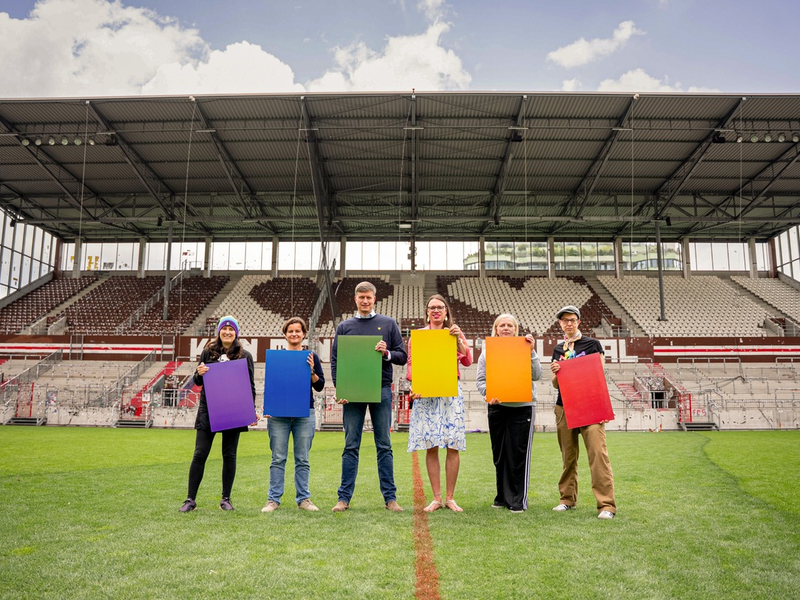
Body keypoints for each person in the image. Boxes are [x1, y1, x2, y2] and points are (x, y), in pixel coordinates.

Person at [330, 281, 408, 513]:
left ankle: (390, 498)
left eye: (369, 297)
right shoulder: (344, 326)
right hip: (352, 391)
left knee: (384, 444)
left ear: (375, 299)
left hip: (381, 388)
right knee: (350, 445)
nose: (365, 301)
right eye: (361, 297)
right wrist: (340, 387)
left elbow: (402, 356)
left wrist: (386, 353)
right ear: (355, 299)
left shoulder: (388, 323)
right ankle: (343, 498)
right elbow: (336, 360)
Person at [179, 315, 256, 512]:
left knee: (229, 455)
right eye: (224, 328)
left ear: (236, 333)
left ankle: (226, 499)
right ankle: (190, 499)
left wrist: (250, 411)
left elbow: (250, 386)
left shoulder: (245, 356)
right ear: (219, 331)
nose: (228, 332)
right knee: (199, 453)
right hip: (209, 409)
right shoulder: (208, 352)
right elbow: (197, 381)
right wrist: (199, 373)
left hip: (234, 411)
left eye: (231, 329)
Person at [406, 294, 472, 513]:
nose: (436, 311)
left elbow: (467, 360)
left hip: (450, 392)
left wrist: (459, 341)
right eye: (432, 307)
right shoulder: (418, 336)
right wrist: (413, 389)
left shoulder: (454, 332)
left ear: (446, 311)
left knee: (452, 445)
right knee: (431, 445)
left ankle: (450, 498)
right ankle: (436, 498)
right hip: (426, 393)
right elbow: (411, 366)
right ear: (427, 311)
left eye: (440, 307)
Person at [549, 305, 616, 520]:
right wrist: (556, 373)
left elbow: (599, 375)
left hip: (590, 406)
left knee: (598, 455)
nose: (568, 323)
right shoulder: (558, 349)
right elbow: (555, 385)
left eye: (572, 319)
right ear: (560, 324)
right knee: (568, 458)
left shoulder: (593, 344)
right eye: (564, 320)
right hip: (565, 407)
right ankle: (567, 499)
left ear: (578, 322)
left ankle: (606, 505)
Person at [475, 314, 542, 513]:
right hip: (497, 407)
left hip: (522, 408)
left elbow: (537, 375)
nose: (505, 328)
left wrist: (532, 352)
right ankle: (502, 497)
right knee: (500, 455)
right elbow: (481, 381)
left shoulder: (525, 348)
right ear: (495, 329)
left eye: (509, 325)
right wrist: (489, 394)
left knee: (518, 455)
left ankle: (517, 501)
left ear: (515, 329)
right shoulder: (487, 352)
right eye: (501, 325)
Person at [262, 317, 325, 513]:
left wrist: (311, 371)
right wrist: (269, 407)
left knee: (302, 458)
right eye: (290, 331)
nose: (294, 334)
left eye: (298, 331)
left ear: (304, 334)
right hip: (279, 415)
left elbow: (320, 385)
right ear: (285, 334)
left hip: (304, 413)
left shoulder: (311, 356)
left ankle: (304, 499)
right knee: (278, 458)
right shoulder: (278, 357)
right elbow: (272, 385)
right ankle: (273, 500)